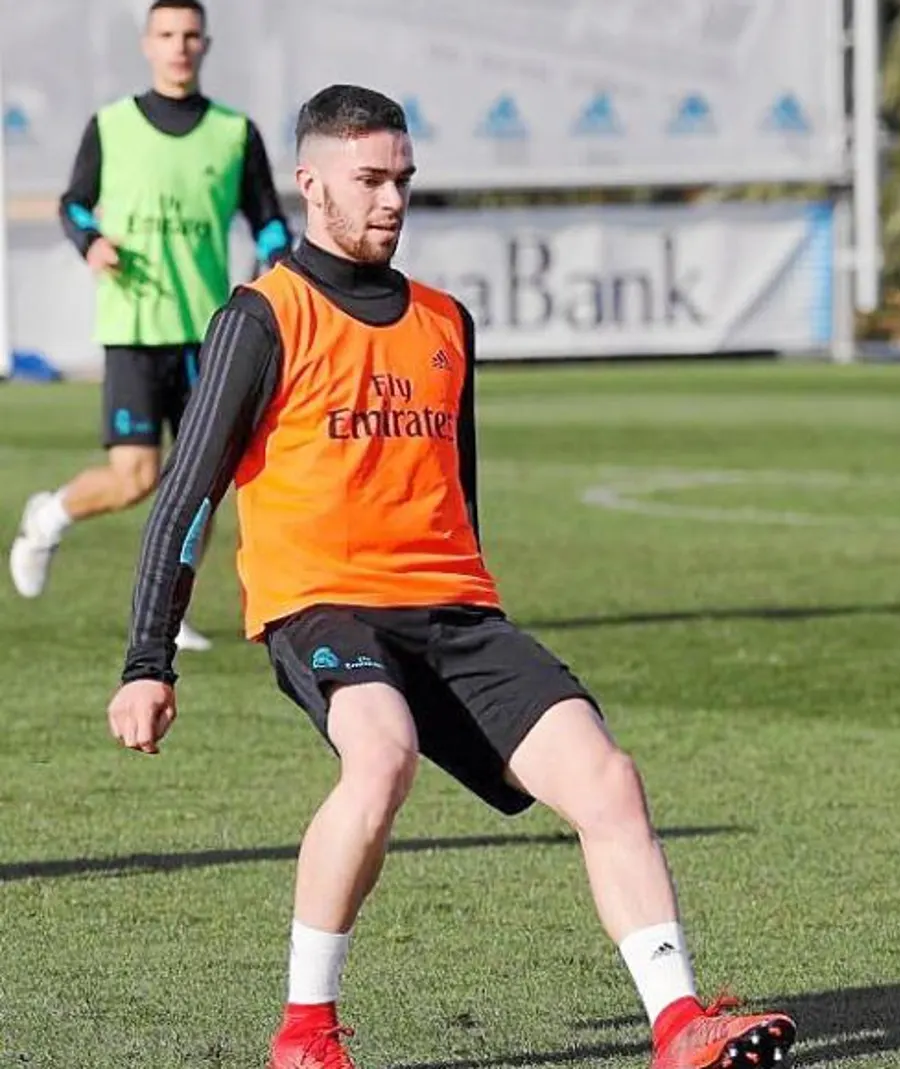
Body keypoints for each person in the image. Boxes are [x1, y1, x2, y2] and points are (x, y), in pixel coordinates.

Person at [103, 84, 795, 1069]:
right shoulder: (264, 316)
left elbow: (453, 496)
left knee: (608, 778)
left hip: (456, 612)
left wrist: (487, 641)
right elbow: (187, 495)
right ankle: (306, 1034)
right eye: (368, 179)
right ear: (310, 183)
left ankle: (679, 1022)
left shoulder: (445, 321)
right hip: (322, 604)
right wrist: (147, 658)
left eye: (402, 180)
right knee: (379, 754)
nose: (390, 199)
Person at [9, 0, 290, 654]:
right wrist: (90, 242)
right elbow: (73, 203)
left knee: (201, 482)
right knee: (136, 476)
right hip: (135, 328)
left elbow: (270, 219)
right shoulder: (110, 126)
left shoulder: (233, 132)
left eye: (191, 35)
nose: (179, 46)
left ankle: (173, 609)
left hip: (208, 335)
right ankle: (49, 515)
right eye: (167, 34)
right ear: (147, 44)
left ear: (206, 44)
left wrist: (275, 262)